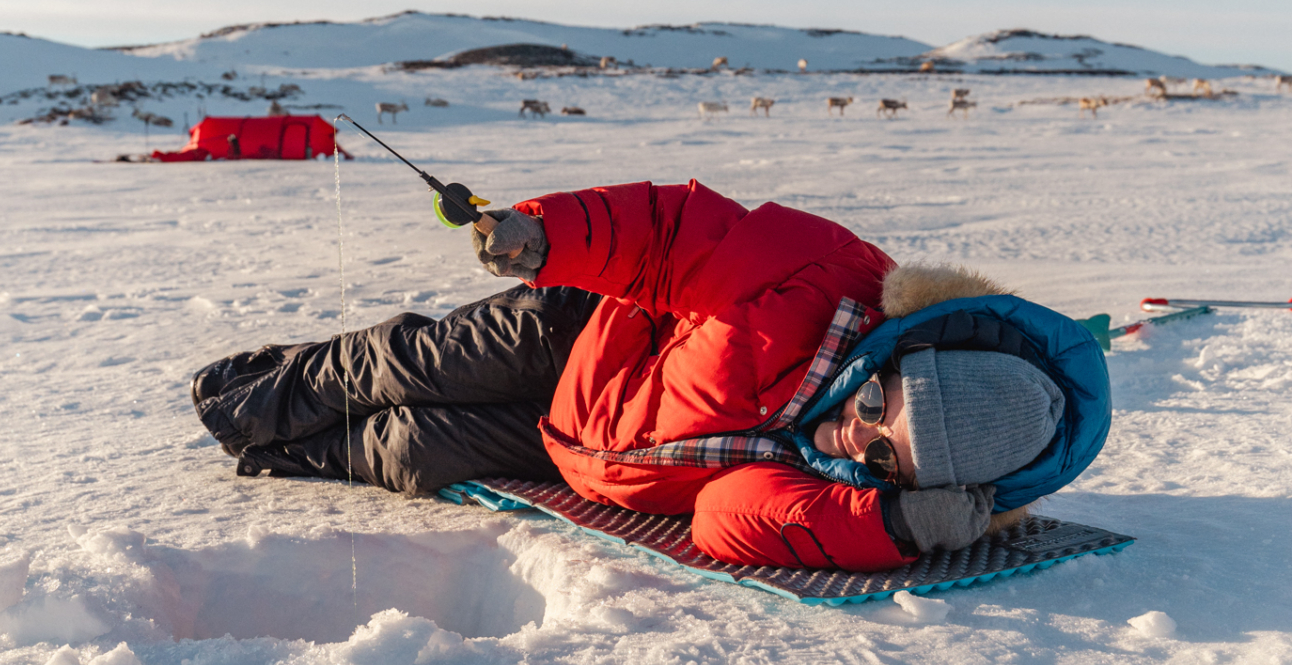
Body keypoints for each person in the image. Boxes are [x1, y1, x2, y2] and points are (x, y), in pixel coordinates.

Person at [191, 180, 1111, 571]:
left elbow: (727, 520)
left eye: (882, 460)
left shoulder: (820, 476)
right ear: (909, 357)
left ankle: (289, 455)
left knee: (416, 449)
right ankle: (249, 398)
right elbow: (675, 236)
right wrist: (552, 237)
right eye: (879, 405)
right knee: (404, 366)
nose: (852, 435)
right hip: (579, 336)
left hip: (583, 455)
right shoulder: (823, 279)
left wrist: (887, 523)